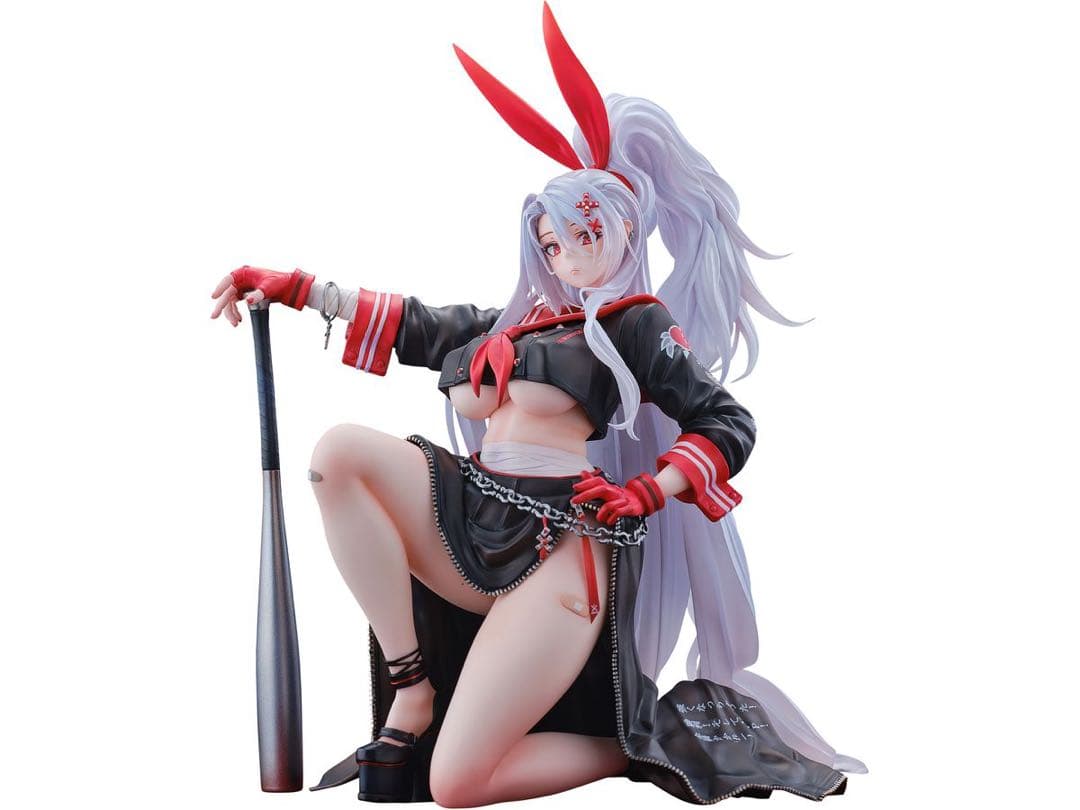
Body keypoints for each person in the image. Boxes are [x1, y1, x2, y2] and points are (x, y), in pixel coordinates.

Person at [209, 4, 865, 805]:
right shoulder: (514, 324)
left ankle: (629, 746)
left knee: (456, 784)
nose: (565, 256)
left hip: (561, 545)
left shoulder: (636, 324)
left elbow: (727, 420)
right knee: (339, 453)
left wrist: (648, 489)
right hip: (475, 518)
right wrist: (299, 288)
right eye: (552, 243)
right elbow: (420, 323)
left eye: (581, 236)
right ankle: (411, 683)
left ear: (622, 229)